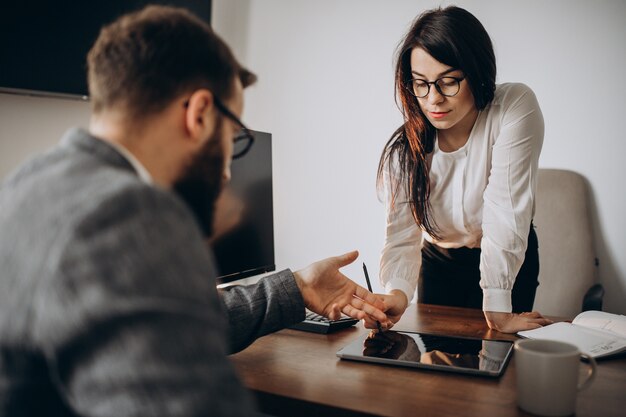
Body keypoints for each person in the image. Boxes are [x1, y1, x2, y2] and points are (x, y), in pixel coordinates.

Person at [0, 6, 392, 416]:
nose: (226, 172)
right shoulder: (126, 213)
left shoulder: (29, 183)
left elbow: (160, 332)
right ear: (200, 114)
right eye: (233, 139)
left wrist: (296, 288)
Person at [374, 6, 552, 333]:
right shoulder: (407, 148)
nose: (434, 99)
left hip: (508, 258)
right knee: (440, 370)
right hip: (440, 261)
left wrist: (499, 305)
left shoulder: (513, 106)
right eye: (421, 84)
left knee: (501, 363)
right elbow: (401, 233)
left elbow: (505, 209)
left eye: (449, 82)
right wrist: (396, 296)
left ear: (478, 71)